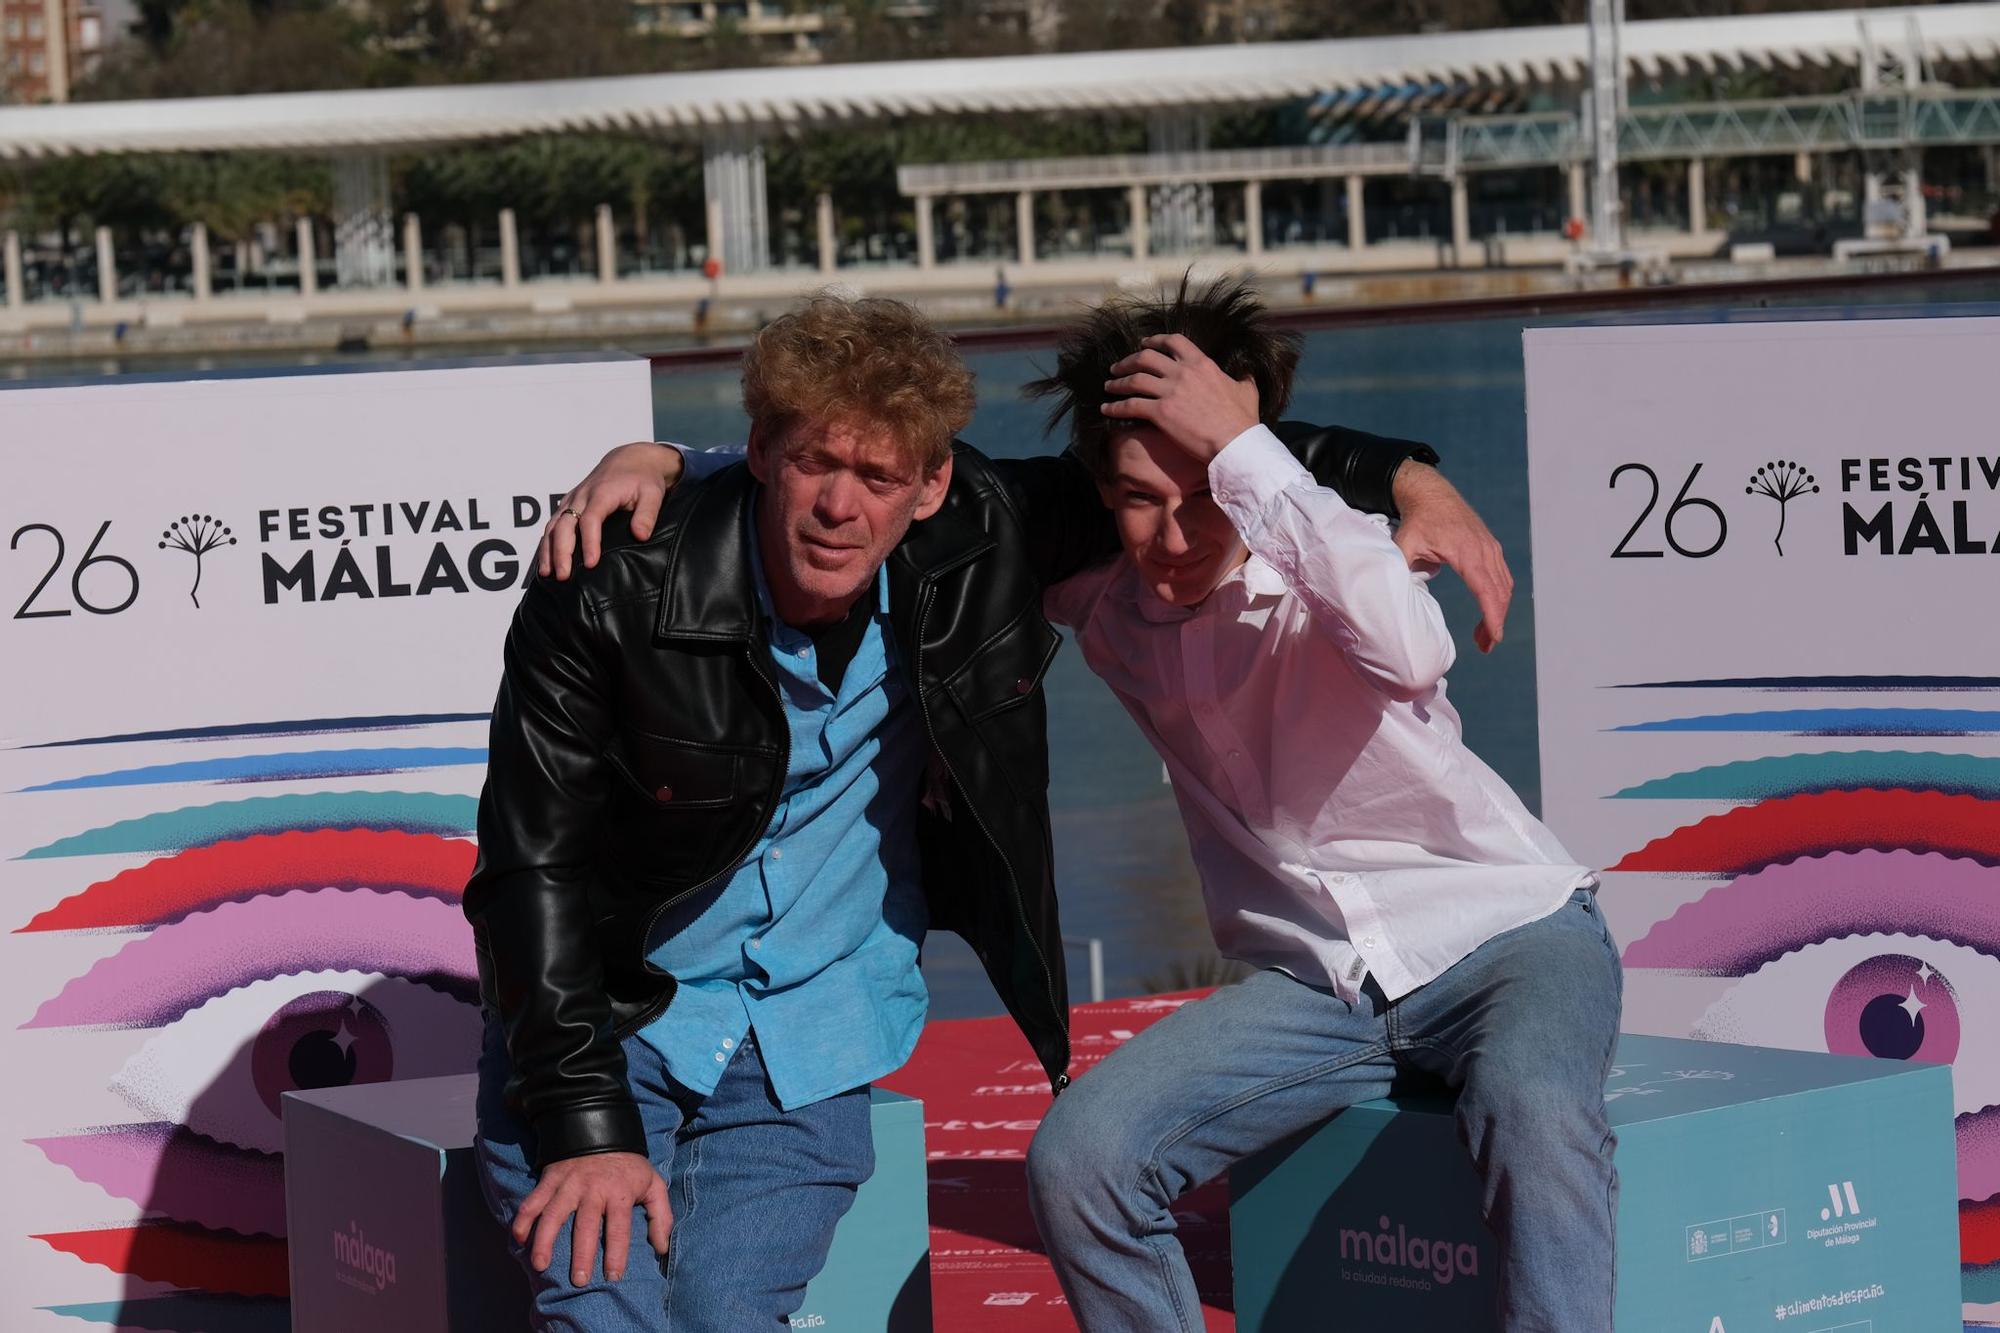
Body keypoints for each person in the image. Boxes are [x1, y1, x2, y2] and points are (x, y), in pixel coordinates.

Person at [468, 291, 1493, 1331]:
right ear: (765, 453)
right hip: (610, 1025)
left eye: (877, 477)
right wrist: (585, 1123)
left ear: (929, 486)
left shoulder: (980, 534)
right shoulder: (605, 583)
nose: (840, 506)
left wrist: (1409, 476)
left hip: (806, 1044)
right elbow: (527, 867)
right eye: (818, 463)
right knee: (606, 1316)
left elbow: (1201, 463)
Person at [1021, 281, 1622, 1331]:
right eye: (1137, 500)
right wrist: (680, 465)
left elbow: (1413, 649)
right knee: (1081, 1159)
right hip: (1314, 983)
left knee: (1529, 1108)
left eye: (1206, 491)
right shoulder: (1102, 602)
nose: (1173, 536)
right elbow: (912, 492)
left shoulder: (1325, 554)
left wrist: (1257, 455)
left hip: (1507, 933)